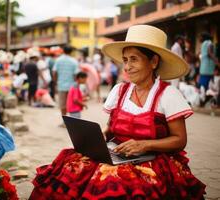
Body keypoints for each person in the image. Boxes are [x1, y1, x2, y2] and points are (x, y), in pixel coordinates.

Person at [30, 25, 205, 199]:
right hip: (117, 153)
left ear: (154, 61)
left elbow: (180, 140)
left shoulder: (168, 95)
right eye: (125, 60)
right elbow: (111, 129)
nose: (127, 67)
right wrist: (98, 139)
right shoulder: (119, 90)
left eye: (134, 59)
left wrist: (144, 144)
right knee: (69, 166)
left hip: (153, 159)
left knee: (112, 183)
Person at [53, 45, 79, 127]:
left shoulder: (58, 60)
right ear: (71, 52)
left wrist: (56, 82)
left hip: (61, 85)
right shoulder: (74, 61)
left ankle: (64, 123)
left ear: (63, 50)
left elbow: (54, 72)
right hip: (72, 86)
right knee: (71, 104)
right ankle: (71, 123)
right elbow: (76, 75)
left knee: (62, 105)